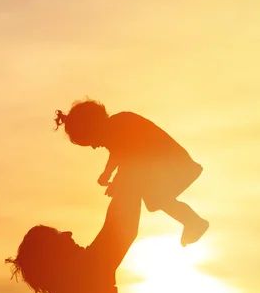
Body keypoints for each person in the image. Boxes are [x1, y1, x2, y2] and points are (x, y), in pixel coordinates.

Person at [5, 180, 142, 293]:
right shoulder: (85, 276)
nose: (68, 234)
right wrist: (130, 180)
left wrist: (126, 187)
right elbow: (122, 229)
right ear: (53, 255)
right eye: (59, 235)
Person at [54, 98, 209, 247]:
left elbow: (128, 158)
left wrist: (116, 181)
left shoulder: (120, 124)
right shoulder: (115, 130)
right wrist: (108, 174)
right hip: (163, 167)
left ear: (93, 126)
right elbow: (119, 154)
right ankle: (192, 221)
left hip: (171, 164)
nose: (94, 146)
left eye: (91, 141)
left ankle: (194, 222)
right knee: (155, 199)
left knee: (155, 198)